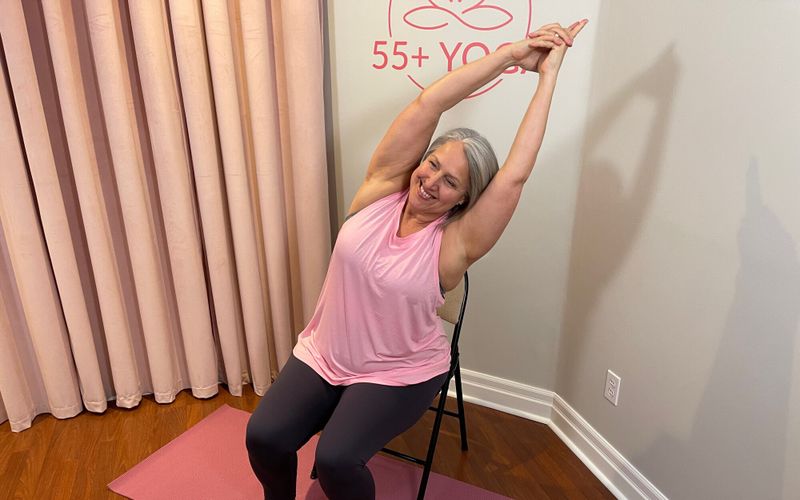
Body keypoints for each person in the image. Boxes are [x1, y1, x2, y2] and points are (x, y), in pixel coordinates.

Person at [245, 19, 589, 500]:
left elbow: (512, 176)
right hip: (326, 352)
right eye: (433, 164)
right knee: (263, 436)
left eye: (450, 182)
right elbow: (432, 102)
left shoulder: (453, 244)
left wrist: (549, 75)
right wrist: (513, 54)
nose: (431, 182)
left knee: (337, 459)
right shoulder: (380, 189)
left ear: (462, 201)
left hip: (399, 370)